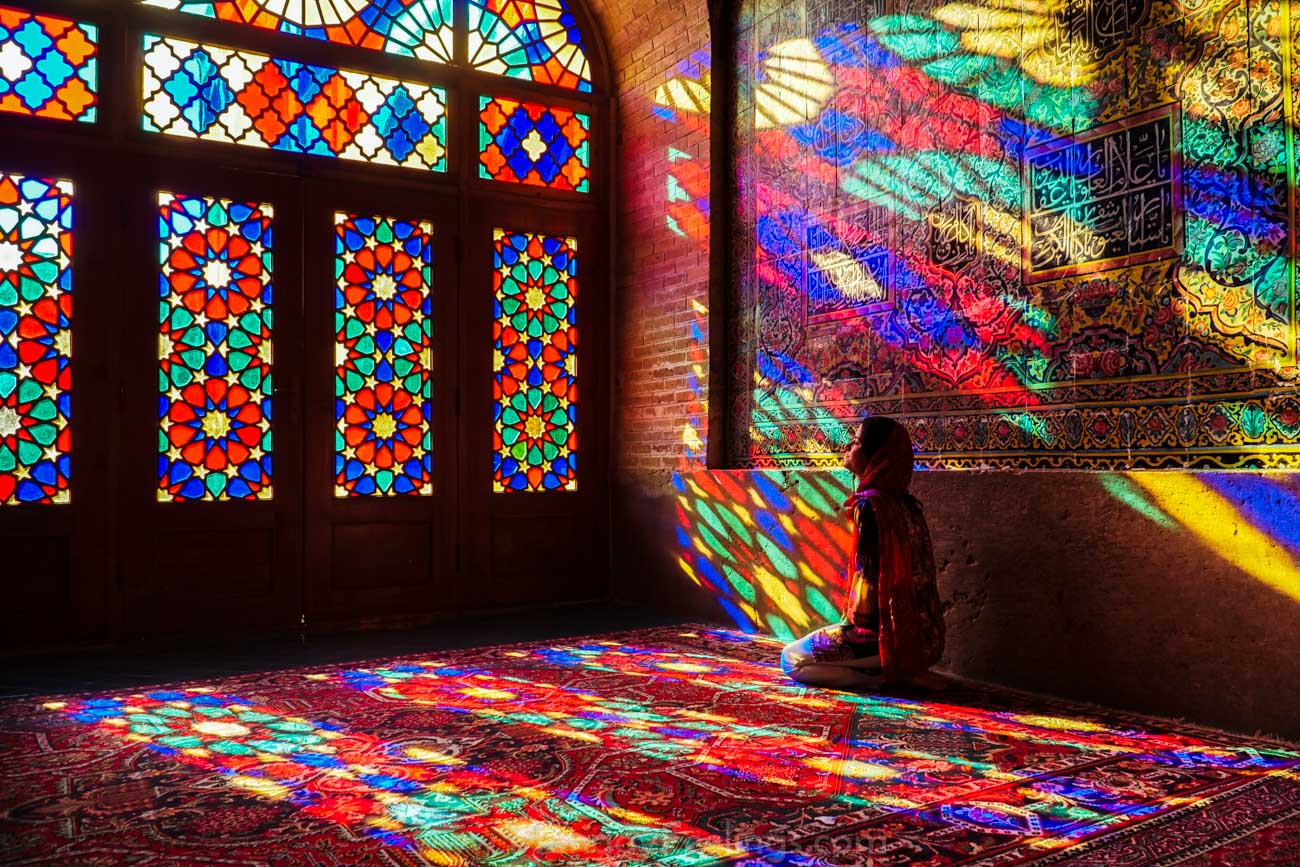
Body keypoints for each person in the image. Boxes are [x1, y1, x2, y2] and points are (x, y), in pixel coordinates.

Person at [780, 415, 945, 690]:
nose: (847, 446)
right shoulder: (908, 505)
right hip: (927, 641)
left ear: (875, 456)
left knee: (791, 659)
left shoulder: (871, 507)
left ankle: (883, 679)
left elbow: (866, 601)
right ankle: (894, 670)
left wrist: (847, 634)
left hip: (885, 640)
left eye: (855, 442)